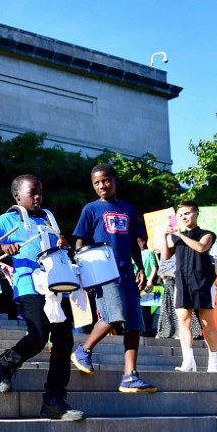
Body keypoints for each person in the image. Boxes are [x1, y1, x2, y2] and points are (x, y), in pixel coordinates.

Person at [0, 174, 84, 420]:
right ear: (17, 196)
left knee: (64, 341)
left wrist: (63, 243)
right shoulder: (8, 219)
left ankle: (54, 399)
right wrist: (1, 248)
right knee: (38, 336)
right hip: (29, 284)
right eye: (32, 193)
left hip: (56, 284)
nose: (38, 197)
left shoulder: (49, 218)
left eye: (40, 192)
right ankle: (4, 364)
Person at [69, 163, 156, 393]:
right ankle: (83, 350)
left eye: (105, 180)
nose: (101, 186)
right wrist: (82, 271)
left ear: (115, 180)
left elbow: (136, 243)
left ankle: (130, 375)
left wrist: (141, 269)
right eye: (96, 183)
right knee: (114, 316)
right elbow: (80, 241)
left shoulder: (128, 208)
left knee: (135, 324)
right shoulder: (91, 209)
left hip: (128, 271)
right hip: (103, 271)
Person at [162, 201, 217, 373]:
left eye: (187, 213)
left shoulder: (207, 234)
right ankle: (188, 361)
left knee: (206, 322)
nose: (184, 217)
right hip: (182, 281)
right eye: (180, 215)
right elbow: (165, 256)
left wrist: (180, 235)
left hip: (203, 282)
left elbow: (201, 247)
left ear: (196, 213)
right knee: (183, 321)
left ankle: (213, 360)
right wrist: (165, 238)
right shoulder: (176, 237)